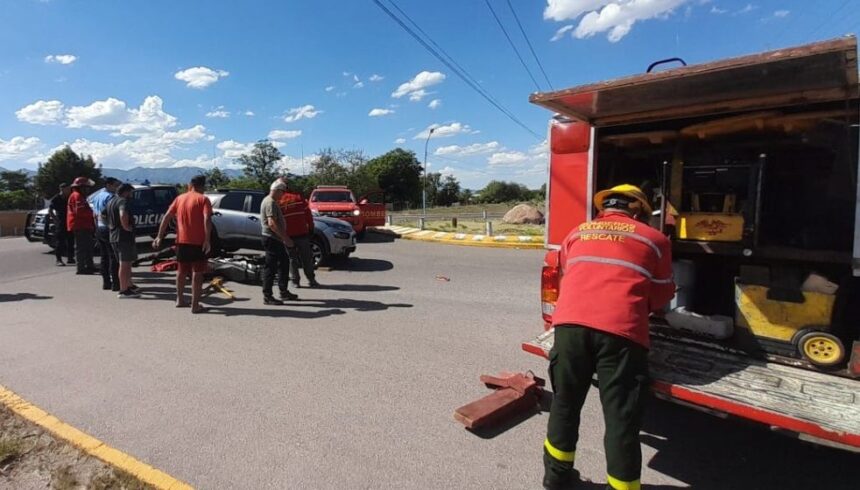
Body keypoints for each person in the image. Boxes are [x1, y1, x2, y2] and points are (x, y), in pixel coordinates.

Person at [542, 184, 674, 490]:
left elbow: (568, 275)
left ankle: (555, 478)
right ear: (639, 210)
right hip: (622, 334)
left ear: (604, 209)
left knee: (564, 404)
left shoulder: (576, 233)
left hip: (569, 328)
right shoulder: (655, 239)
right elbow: (663, 293)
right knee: (621, 420)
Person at [153, 175, 212, 313]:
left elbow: (167, 216)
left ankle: (180, 299)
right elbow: (207, 219)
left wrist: (159, 236)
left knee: (181, 272)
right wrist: (207, 239)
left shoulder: (179, 198)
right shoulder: (203, 199)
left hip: (181, 241)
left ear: (190, 185)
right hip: (198, 242)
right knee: (197, 273)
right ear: (202, 186)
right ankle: (195, 305)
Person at [277, 177, 319, 288]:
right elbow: (308, 216)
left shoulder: (278, 201)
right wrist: (311, 228)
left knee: (292, 259)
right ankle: (311, 280)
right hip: (302, 233)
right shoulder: (299, 198)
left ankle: (295, 282)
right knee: (306, 258)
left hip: (288, 235)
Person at [261, 180, 297, 305]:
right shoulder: (270, 202)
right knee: (270, 267)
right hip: (271, 238)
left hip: (275, 238)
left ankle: (283, 291)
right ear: (276, 190)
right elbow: (272, 223)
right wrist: (285, 238)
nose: (282, 195)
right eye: (282, 192)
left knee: (284, 264)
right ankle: (268, 296)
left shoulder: (272, 201)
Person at [106, 184, 140, 298]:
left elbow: (101, 215)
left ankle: (129, 285)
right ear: (126, 192)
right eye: (131, 192)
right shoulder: (122, 201)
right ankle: (124, 290)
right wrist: (126, 226)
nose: (131, 195)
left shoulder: (111, 201)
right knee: (124, 264)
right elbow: (122, 213)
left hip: (114, 236)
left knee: (127, 262)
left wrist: (110, 226)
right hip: (123, 237)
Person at [91, 177, 121, 290]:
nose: (117, 188)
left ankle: (106, 282)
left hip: (99, 227)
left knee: (104, 256)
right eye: (115, 185)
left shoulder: (97, 196)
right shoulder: (110, 197)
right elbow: (110, 213)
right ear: (108, 185)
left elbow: (94, 214)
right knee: (113, 256)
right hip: (108, 227)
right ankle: (116, 283)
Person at [67, 177, 96, 275]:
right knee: (81, 247)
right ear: (81, 187)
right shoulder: (77, 196)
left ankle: (89, 266)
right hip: (80, 225)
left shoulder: (78, 196)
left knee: (88, 246)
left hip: (84, 225)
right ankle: (81, 268)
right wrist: (92, 213)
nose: (88, 189)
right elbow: (80, 212)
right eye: (86, 187)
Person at [49, 183, 74, 266]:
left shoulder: (69, 197)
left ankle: (70, 258)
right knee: (60, 242)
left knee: (71, 240)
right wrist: (55, 219)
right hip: (61, 222)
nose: (68, 190)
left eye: (69, 189)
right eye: (67, 189)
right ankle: (58, 259)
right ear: (62, 189)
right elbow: (50, 210)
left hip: (69, 221)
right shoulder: (56, 198)